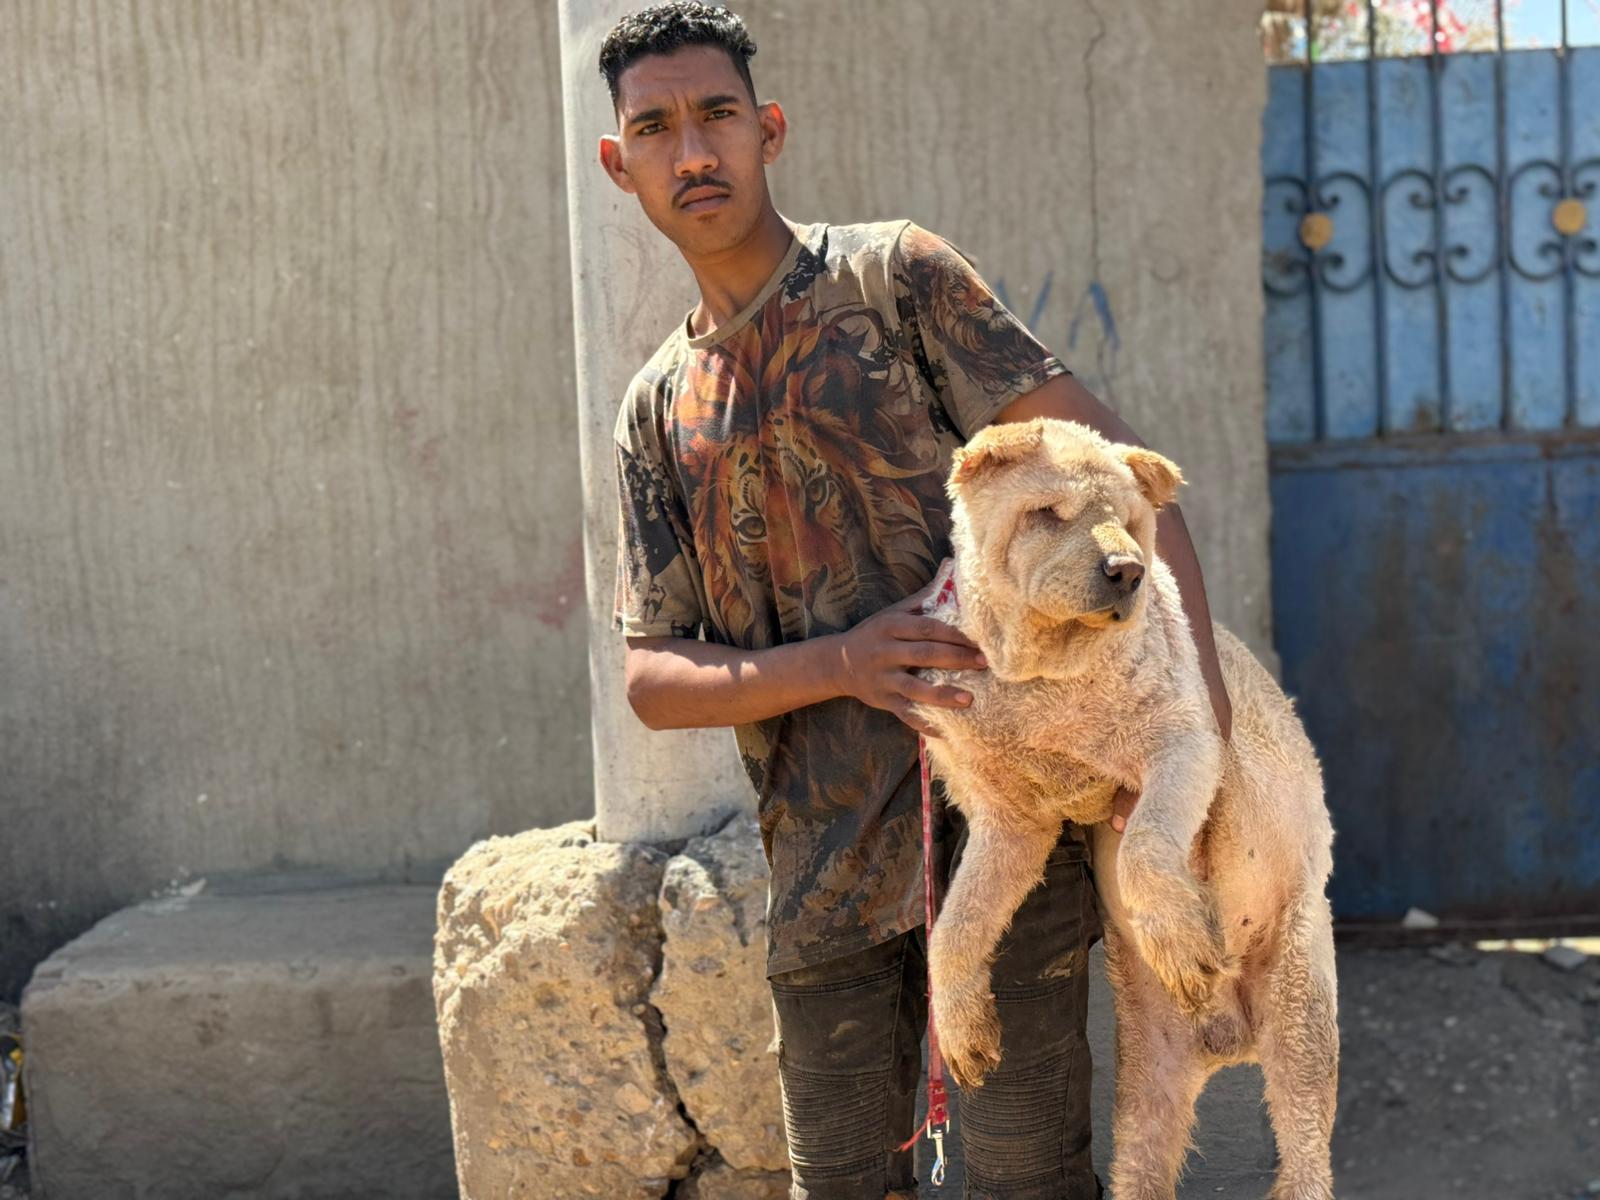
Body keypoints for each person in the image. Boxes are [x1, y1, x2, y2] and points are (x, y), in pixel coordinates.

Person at [595, 6, 1232, 1198]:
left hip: (1015, 832)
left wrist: (1204, 746)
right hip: (820, 876)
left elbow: (1122, 484)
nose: (693, 151)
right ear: (617, 163)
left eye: (718, 115)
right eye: (656, 128)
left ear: (769, 129)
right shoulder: (655, 410)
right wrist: (841, 662)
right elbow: (652, 679)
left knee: (1027, 1178)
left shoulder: (895, 280)